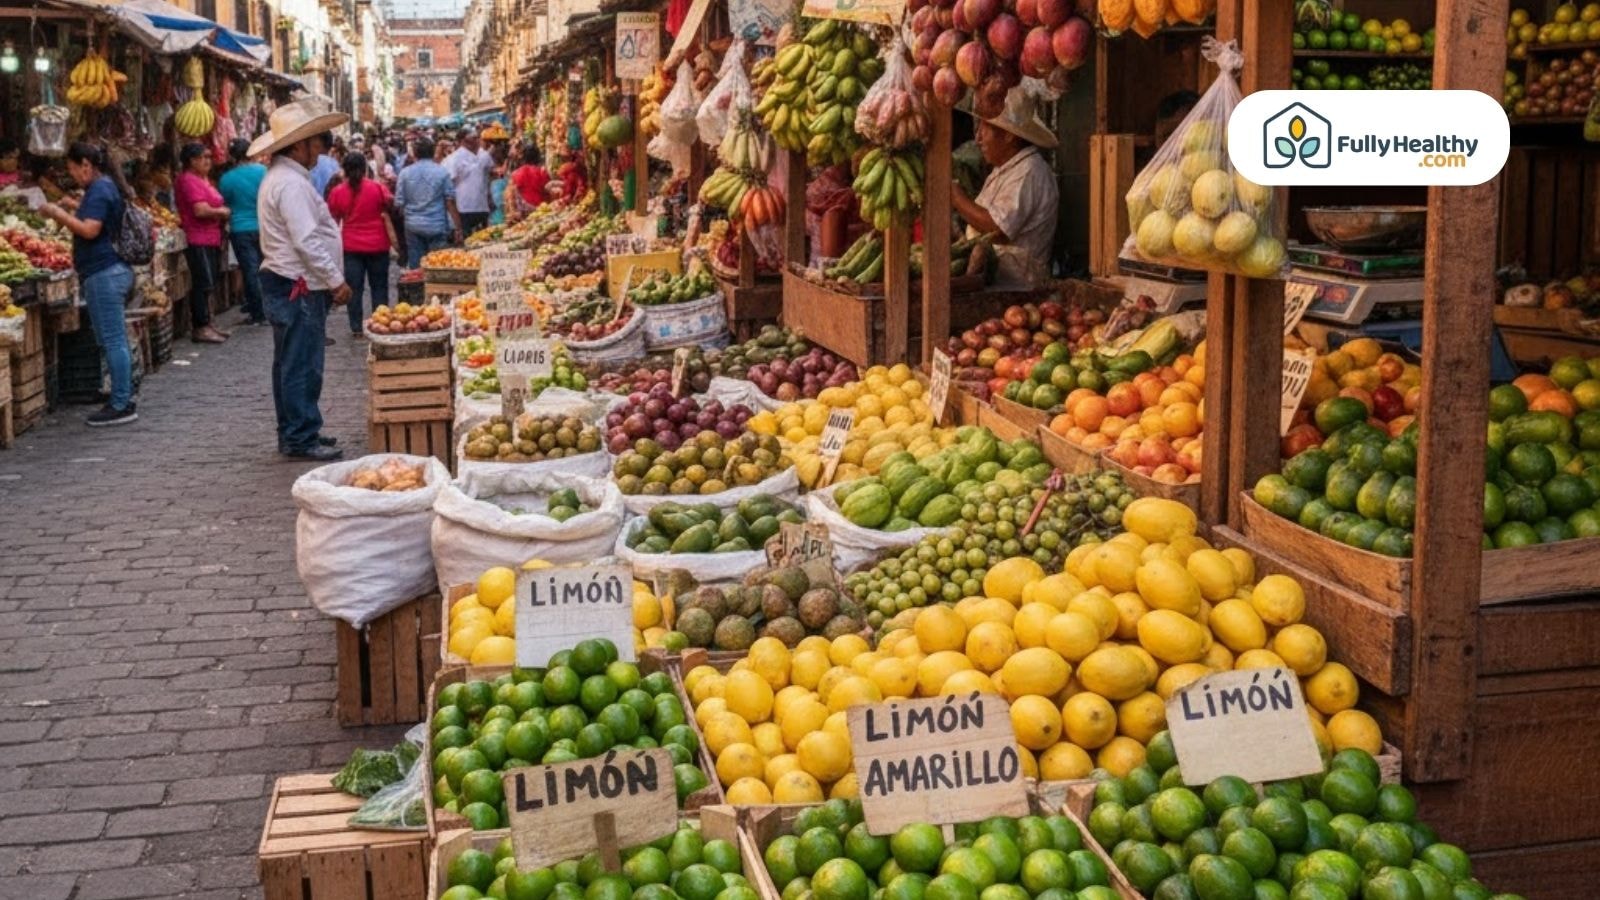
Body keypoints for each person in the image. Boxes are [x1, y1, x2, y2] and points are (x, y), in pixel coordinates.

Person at [251, 100, 351, 461]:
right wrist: (335, 279)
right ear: (297, 146)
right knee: (301, 362)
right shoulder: (290, 184)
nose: (321, 150)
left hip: (290, 280)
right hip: (298, 283)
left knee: (291, 361)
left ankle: (299, 428)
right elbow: (306, 239)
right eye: (315, 142)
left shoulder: (285, 178)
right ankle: (299, 436)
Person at [38, 143, 137, 426]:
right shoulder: (105, 187)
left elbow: (90, 230)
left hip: (104, 273)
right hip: (108, 271)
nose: (72, 175)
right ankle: (121, 397)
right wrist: (75, 206)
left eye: (72, 169)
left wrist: (58, 214)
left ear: (85, 164)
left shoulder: (100, 188)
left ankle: (121, 403)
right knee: (111, 338)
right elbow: (99, 219)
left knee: (112, 340)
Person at [951, 88, 1060, 288]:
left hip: (1016, 288)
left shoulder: (1029, 171)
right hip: (991, 281)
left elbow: (997, 227)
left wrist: (957, 198)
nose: (978, 138)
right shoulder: (1006, 168)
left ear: (1009, 136)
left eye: (984, 128)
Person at [327, 151, 397, 336]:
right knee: (380, 287)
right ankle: (379, 324)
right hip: (378, 244)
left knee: (354, 289)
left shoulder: (337, 192)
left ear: (345, 170)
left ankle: (356, 328)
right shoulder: (377, 188)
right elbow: (390, 204)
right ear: (365, 168)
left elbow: (332, 221)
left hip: (351, 246)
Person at [174, 142, 232, 343]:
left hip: (210, 237)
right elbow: (200, 210)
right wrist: (222, 212)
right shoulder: (189, 180)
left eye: (209, 156)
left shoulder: (202, 179)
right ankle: (200, 326)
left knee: (209, 281)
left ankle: (207, 323)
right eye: (204, 157)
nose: (209, 160)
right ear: (192, 161)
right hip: (197, 237)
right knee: (202, 282)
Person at [218, 138, 268, 326]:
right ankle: (269, 308)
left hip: (240, 228)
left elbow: (224, 202)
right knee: (266, 268)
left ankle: (258, 313)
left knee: (250, 271)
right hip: (263, 227)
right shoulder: (263, 172)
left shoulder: (227, 179)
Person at [394, 136, 461, 267]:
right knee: (438, 266)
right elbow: (450, 202)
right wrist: (458, 228)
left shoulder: (405, 173)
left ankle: (417, 287)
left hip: (413, 226)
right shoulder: (442, 172)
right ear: (432, 152)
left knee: (416, 267)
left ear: (415, 153)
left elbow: (399, 204)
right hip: (437, 226)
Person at [443, 128, 494, 235]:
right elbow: (448, 184)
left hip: (482, 206)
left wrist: (489, 196)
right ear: (462, 141)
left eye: (477, 138)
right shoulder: (453, 159)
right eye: (472, 138)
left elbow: (489, 175)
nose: (476, 140)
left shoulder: (483, 154)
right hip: (463, 208)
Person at [507, 144, 552, 222]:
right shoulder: (542, 172)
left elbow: (511, 196)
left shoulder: (516, 173)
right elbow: (548, 191)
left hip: (524, 214)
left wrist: (513, 212)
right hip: (542, 211)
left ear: (523, 158)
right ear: (538, 158)